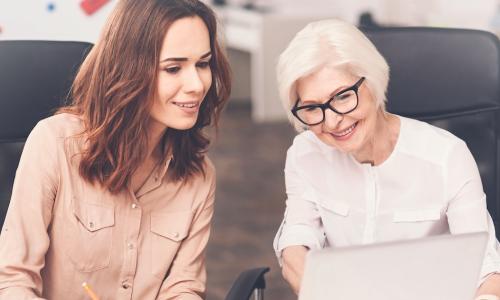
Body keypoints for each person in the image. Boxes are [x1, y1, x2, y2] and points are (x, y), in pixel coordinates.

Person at [0, 0, 230, 299]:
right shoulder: (55, 143)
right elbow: (13, 279)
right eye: (173, 68)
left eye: (202, 64)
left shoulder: (198, 175)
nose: (197, 84)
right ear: (128, 70)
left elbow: (183, 287)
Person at [272, 19, 500, 299]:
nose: (331, 122)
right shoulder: (304, 154)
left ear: (373, 80)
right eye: (311, 108)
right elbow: (297, 238)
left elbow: (486, 272)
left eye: (343, 97)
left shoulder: (447, 157)